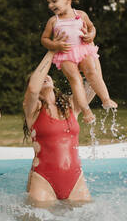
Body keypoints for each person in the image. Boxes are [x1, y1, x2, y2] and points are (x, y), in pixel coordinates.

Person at [41, 0, 117, 123]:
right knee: (76, 80)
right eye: (48, 2)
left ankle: (106, 99)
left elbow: (91, 27)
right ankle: (86, 111)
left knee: (92, 72)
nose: (50, 5)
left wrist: (90, 35)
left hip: (83, 50)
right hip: (65, 55)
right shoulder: (53, 21)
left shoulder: (81, 15)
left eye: (54, 1)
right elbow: (44, 39)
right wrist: (55, 45)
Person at [23, 50, 95, 207]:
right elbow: (33, 89)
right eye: (41, 77)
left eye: (47, 76)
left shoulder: (71, 106)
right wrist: (52, 50)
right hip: (43, 181)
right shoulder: (33, 110)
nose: (45, 77)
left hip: (76, 180)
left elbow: (93, 84)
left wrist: (87, 54)